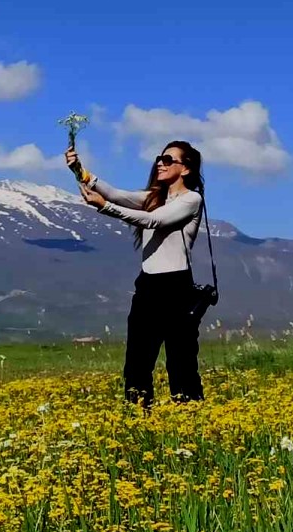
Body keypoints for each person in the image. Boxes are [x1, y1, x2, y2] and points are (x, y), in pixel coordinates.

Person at [65, 141, 206, 409]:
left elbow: (154, 220)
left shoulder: (191, 200)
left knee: (181, 362)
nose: (160, 164)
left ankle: (192, 421)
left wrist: (105, 207)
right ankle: (138, 422)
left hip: (177, 286)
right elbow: (117, 194)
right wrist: (80, 170)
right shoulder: (154, 198)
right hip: (148, 286)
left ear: (185, 169)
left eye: (168, 159)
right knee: (137, 362)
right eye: (159, 159)